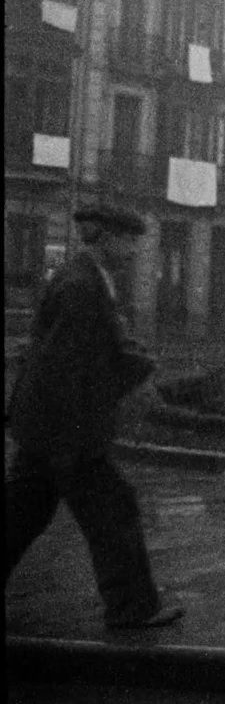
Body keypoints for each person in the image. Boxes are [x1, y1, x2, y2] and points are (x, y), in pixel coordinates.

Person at [6, 203, 184, 629]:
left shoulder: (84, 280)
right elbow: (64, 368)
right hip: (66, 432)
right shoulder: (81, 287)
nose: (134, 251)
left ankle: (133, 606)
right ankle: (132, 609)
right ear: (103, 239)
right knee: (114, 512)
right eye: (128, 241)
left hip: (47, 429)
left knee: (20, 514)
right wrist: (74, 440)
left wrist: (129, 358)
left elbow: (86, 353)